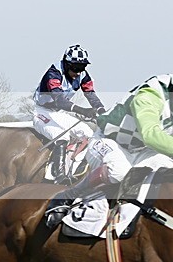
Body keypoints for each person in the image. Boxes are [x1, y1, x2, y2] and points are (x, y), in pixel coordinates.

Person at [46, 73, 173, 226]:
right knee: (119, 171)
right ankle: (70, 194)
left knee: (167, 168)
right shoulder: (150, 94)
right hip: (108, 140)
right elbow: (150, 135)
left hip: (141, 150)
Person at [33, 44, 106, 181]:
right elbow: (60, 100)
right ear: (66, 64)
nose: (79, 72)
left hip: (59, 113)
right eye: (76, 68)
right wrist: (83, 110)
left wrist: (103, 112)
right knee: (63, 137)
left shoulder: (83, 75)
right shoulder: (53, 73)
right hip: (41, 112)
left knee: (88, 134)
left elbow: (91, 95)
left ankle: (74, 166)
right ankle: (58, 175)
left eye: (82, 68)